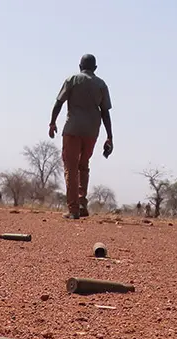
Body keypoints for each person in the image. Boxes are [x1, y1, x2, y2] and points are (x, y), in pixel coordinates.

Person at [49, 54, 113, 219]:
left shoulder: (72, 79)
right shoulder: (101, 84)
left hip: (73, 129)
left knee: (71, 167)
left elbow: (59, 102)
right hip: (92, 131)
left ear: (80, 66)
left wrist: (52, 123)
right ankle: (82, 203)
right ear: (95, 68)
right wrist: (109, 136)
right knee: (83, 165)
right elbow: (105, 112)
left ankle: (73, 209)